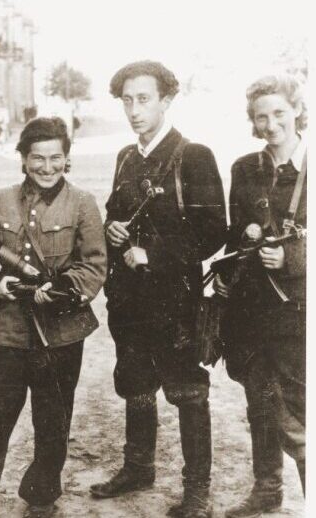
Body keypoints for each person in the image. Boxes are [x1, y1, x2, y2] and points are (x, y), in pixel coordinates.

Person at [0, 117, 107, 518]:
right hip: (10, 332)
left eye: (56, 158)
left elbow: (94, 266)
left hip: (61, 336)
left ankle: (42, 494)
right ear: (23, 160)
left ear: (67, 159)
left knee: (52, 421)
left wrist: (57, 290)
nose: (47, 168)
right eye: (38, 158)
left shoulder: (82, 203)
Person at [89, 60, 227, 518]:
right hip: (129, 298)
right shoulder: (127, 158)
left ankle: (197, 490)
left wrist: (154, 252)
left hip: (176, 298)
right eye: (127, 100)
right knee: (136, 382)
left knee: (188, 390)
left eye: (143, 99)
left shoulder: (194, 155)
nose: (133, 110)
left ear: (167, 101)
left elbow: (213, 231)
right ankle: (138, 467)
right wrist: (112, 231)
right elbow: (115, 212)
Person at [214, 74, 307, 517]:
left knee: (299, 406)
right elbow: (235, 236)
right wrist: (243, 238)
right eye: (261, 117)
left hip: (300, 311)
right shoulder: (244, 169)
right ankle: (267, 490)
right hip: (252, 308)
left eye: (279, 114)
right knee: (259, 400)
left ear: (297, 111)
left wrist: (291, 258)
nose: (270, 125)